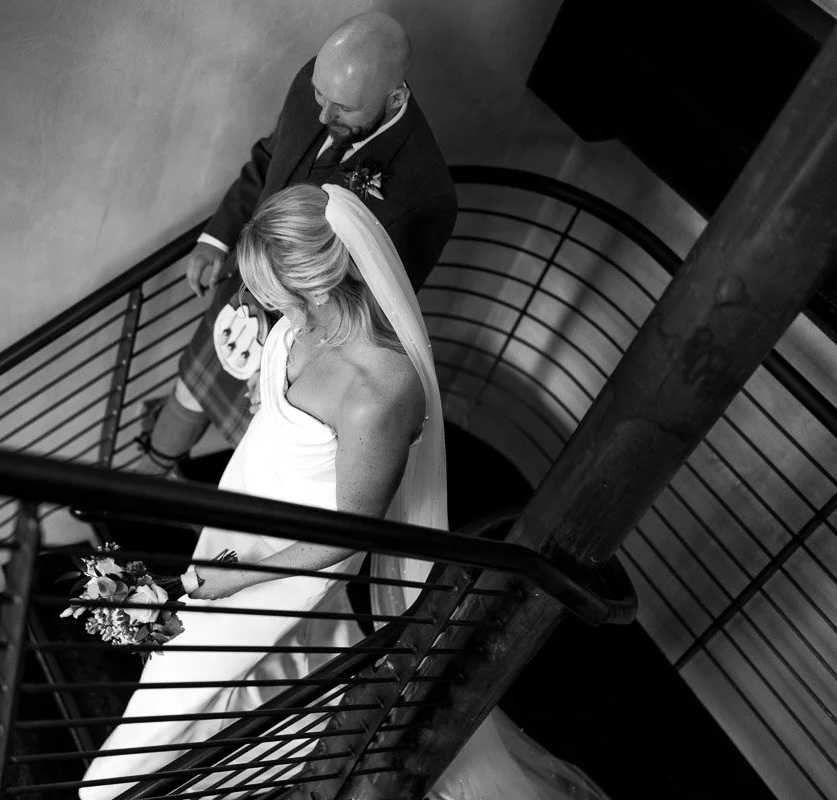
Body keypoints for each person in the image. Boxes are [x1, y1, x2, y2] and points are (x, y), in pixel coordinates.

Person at [80, 185, 609, 800]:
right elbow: (286, 405)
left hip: (282, 567)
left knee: (166, 711)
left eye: (278, 296)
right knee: (269, 677)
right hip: (239, 522)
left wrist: (238, 580)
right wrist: (270, 400)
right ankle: (287, 744)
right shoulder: (303, 325)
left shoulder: (376, 392)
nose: (266, 306)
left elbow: (348, 541)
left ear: (320, 286)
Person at [135, 11, 457, 477]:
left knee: (256, 455)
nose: (324, 116)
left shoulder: (427, 193)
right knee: (191, 387)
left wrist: (293, 365)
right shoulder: (320, 80)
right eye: (319, 97)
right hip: (246, 291)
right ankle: (147, 479)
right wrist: (217, 237)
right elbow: (270, 158)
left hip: (305, 340)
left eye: (343, 109)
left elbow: (380, 313)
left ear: (395, 97)